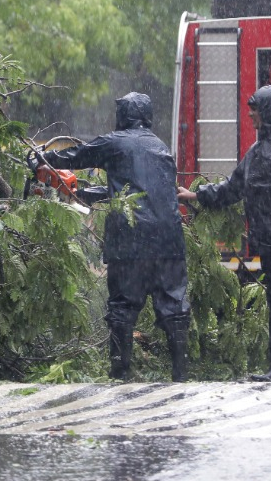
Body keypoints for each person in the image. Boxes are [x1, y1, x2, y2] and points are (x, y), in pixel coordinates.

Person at [38, 92, 190, 381]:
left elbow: (79, 156)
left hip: (131, 240)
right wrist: (83, 193)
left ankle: (120, 372)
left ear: (125, 115)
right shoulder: (160, 147)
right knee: (174, 307)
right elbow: (133, 193)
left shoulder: (115, 142)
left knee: (123, 306)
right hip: (168, 239)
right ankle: (180, 373)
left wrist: (44, 158)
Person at [177, 84, 271, 383]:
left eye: (254, 109)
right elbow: (232, 189)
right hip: (269, 245)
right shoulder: (255, 152)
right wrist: (195, 196)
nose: (250, 115)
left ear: (266, 112)